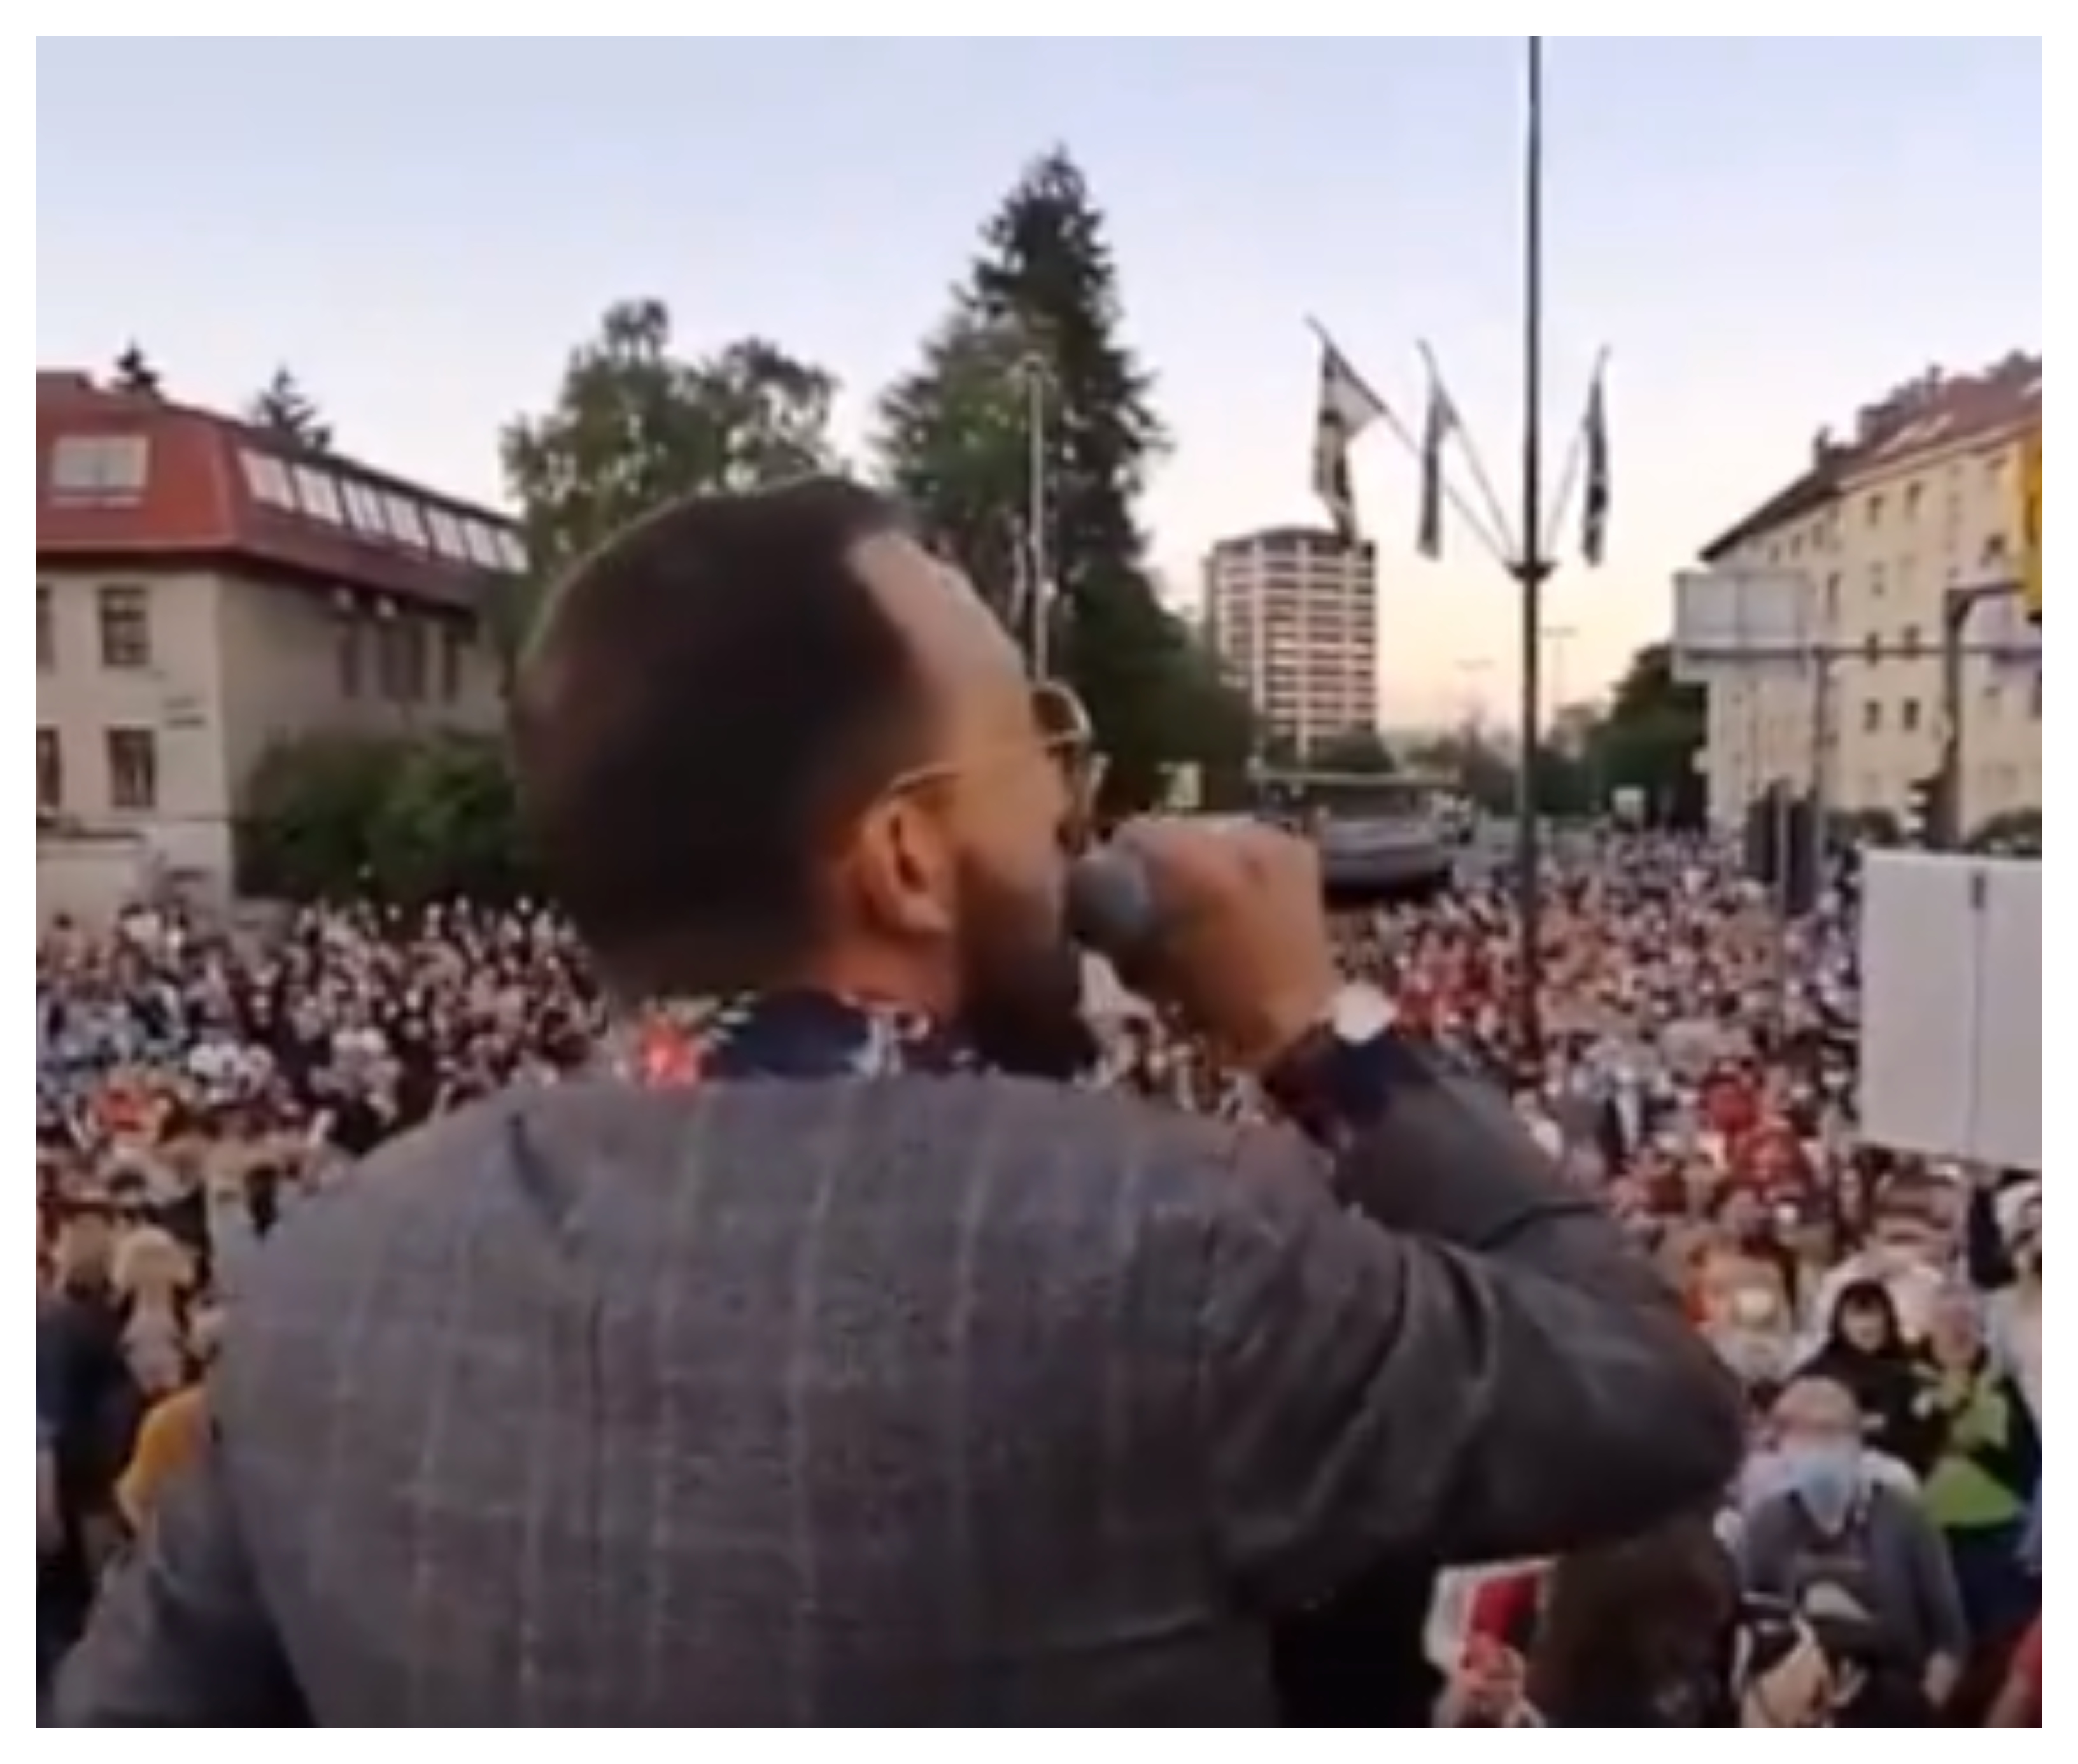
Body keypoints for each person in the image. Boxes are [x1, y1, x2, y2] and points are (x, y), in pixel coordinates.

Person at [55, 479, 1742, 1725]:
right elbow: (1651, 1397)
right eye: (1038, 747)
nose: (1073, 808)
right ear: (910, 858)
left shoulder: (332, 1283)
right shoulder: (1171, 1240)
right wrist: (1316, 1026)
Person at [1737, 1376, 1968, 1721]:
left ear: (1858, 1441)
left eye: (1830, 1433)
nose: (1818, 1449)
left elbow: (1949, 1640)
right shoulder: (1766, 1524)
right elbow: (1747, 1629)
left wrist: (1919, 1712)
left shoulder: (1904, 1516)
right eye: (1803, 1436)